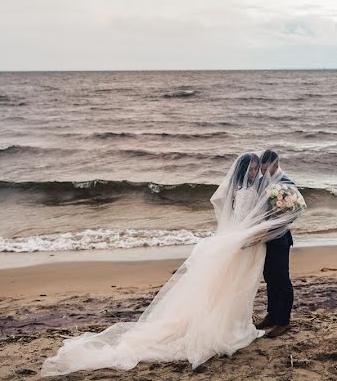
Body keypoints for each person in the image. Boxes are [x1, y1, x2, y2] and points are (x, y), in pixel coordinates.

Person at [40, 152, 305, 376]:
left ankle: (280, 320)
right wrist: (250, 236)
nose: (258, 171)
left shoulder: (277, 184)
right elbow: (246, 216)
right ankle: (256, 320)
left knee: (271, 280)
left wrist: (259, 232)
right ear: (246, 169)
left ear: (272, 165)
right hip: (247, 243)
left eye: (261, 167)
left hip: (265, 241)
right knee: (248, 283)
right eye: (255, 167)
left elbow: (277, 213)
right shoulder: (247, 188)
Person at [254, 149, 296, 338]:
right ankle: (272, 315)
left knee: (282, 279)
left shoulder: (286, 183)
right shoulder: (266, 180)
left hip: (280, 239)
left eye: (266, 170)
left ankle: (283, 321)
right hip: (267, 237)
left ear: (275, 165)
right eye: (262, 170)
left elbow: (292, 213)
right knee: (269, 277)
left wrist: (274, 220)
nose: (264, 174)